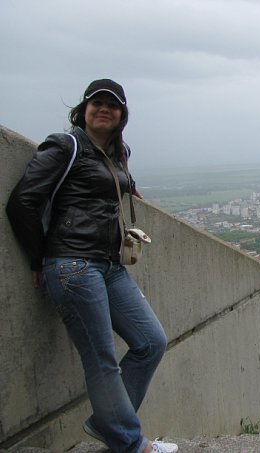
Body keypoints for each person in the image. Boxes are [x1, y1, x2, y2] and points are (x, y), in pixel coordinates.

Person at [6, 79, 177, 453]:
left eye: (112, 105)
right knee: (102, 359)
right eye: (97, 102)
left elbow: (102, 184)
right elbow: (22, 202)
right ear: (82, 110)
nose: (104, 109)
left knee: (151, 341)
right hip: (73, 265)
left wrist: (126, 183)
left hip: (110, 265)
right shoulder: (64, 146)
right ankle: (132, 444)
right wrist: (38, 257)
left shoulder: (117, 152)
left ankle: (107, 423)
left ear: (122, 115)